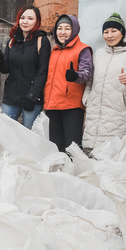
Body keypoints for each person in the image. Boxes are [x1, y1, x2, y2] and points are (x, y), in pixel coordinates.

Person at [82, 12, 126, 151]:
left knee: (112, 158)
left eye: (114, 31)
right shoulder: (98, 54)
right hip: (94, 115)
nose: (109, 35)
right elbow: (90, 80)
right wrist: (87, 98)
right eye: (106, 32)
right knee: (91, 157)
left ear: (122, 32)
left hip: (119, 116)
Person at [0, 6, 50, 129]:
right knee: (4, 133)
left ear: (37, 21)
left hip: (31, 98)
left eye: (30, 18)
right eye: (22, 18)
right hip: (11, 97)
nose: (25, 21)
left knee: (28, 137)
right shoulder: (13, 40)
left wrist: (32, 96)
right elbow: (6, 69)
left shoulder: (42, 40)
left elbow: (43, 72)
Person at [43, 14, 92, 152]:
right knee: (55, 146)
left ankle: (74, 172)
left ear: (74, 30)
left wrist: (75, 76)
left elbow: (87, 73)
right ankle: (60, 173)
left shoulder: (83, 49)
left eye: (67, 28)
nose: (62, 32)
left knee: (72, 147)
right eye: (59, 28)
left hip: (71, 106)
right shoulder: (54, 51)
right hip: (52, 105)